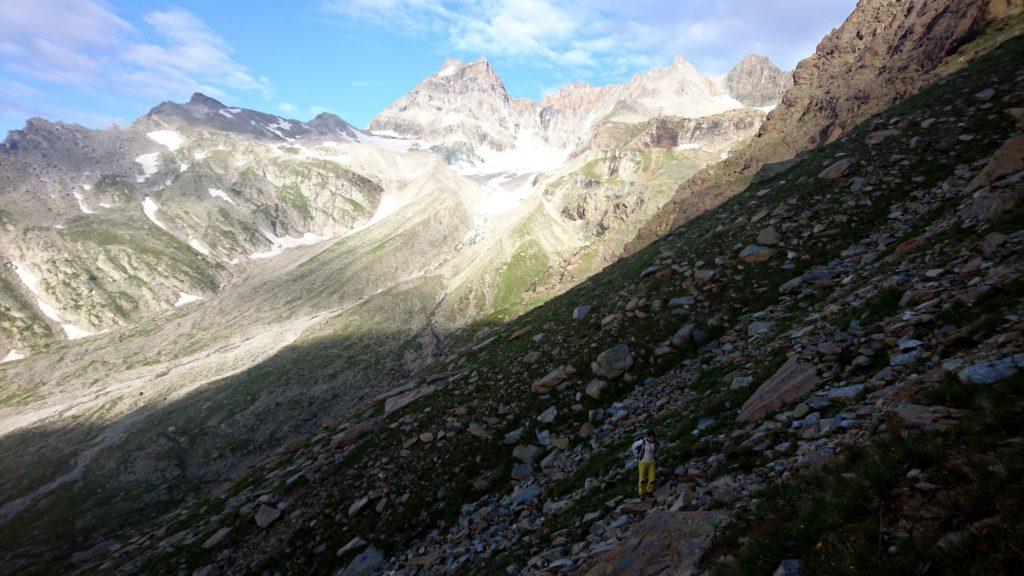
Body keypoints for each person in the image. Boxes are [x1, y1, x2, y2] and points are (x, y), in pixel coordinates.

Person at [631, 430, 658, 498]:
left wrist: (656, 455)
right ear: (647, 437)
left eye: (653, 438)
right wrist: (636, 455)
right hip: (643, 462)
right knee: (642, 478)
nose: (652, 439)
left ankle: (649, 491)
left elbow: (657, 449)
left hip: (652, 462)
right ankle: (641, 493)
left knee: (652, 478)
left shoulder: (654, 442)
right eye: (650, 438)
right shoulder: (643, 441)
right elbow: (634, 446)